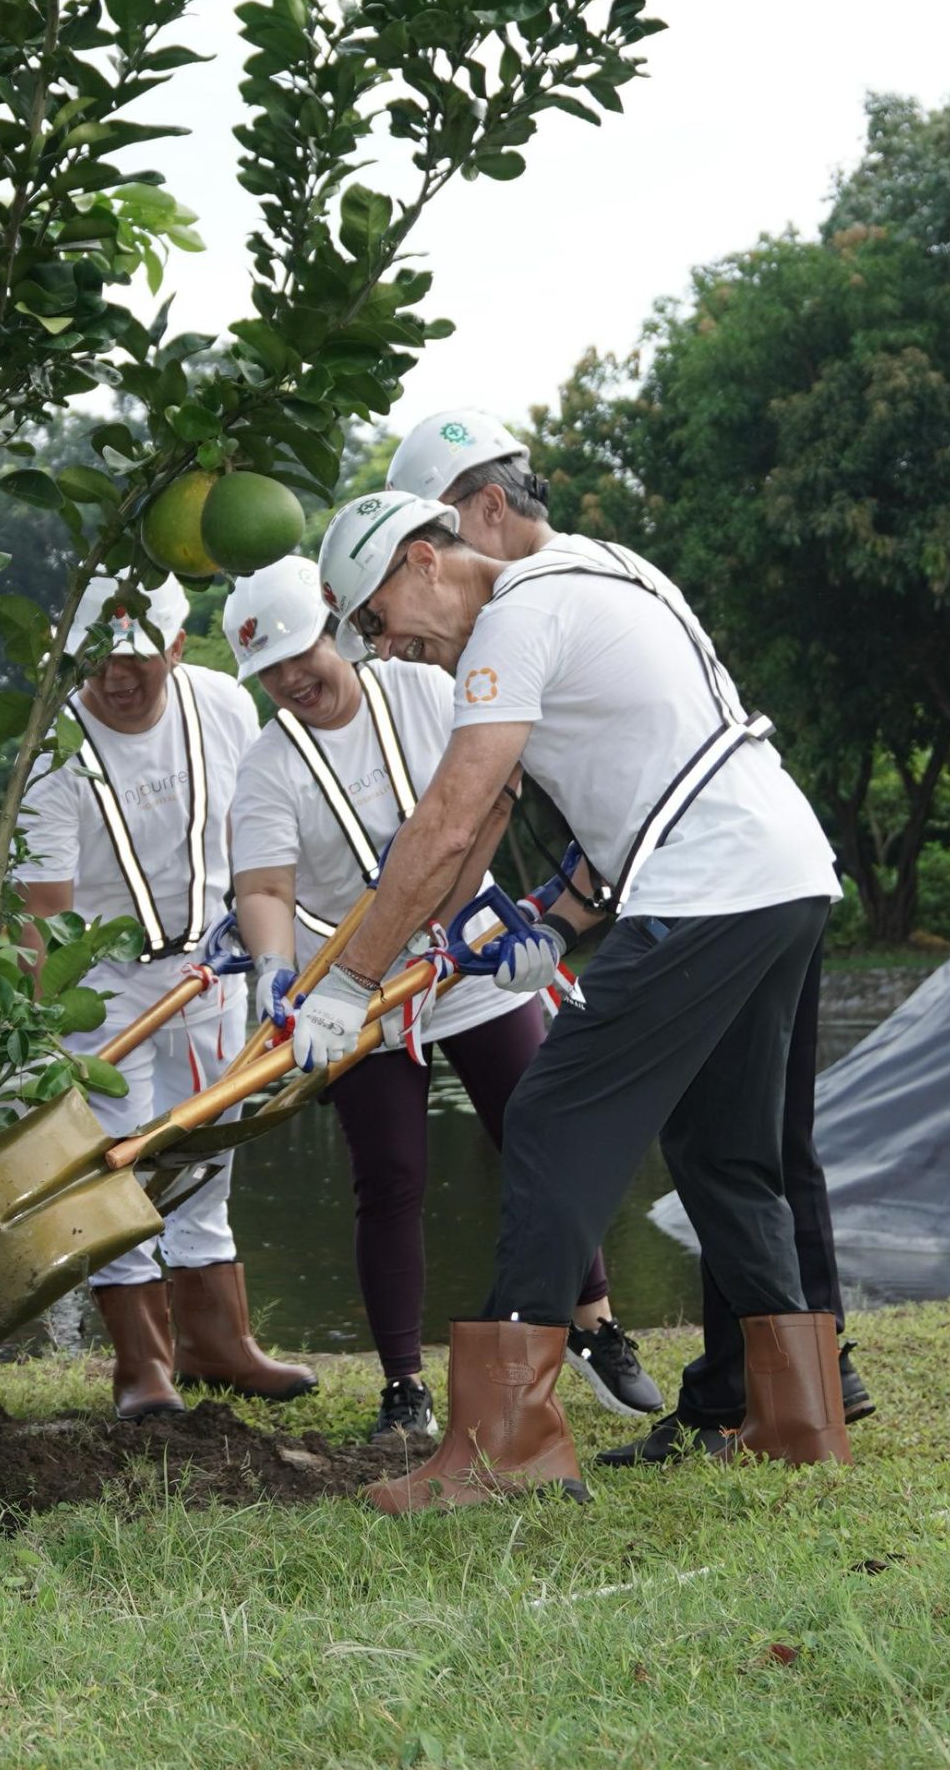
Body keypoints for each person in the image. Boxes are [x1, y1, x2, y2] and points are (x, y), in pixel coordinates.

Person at [316, 485, 850, 1511]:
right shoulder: (602, 569)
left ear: (423, 558)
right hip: (785, 868)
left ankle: (502, 1445)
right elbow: (603, 781)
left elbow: (448, 813)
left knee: (552, 1118)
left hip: (710, 888)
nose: (383, 650)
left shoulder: (513, 620)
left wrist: (348, 983)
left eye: (375, 621)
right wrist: (554, 925)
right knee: (725, 1152)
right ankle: (797, 1422)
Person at [221, 553, 661, 1450]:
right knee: (390, 1180)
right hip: (358, 988)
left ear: (335, 630)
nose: (293, 679)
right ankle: (403, 1387)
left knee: (546, 1131)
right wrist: (274, 971)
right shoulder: (269, 764)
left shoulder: (419, 689)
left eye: (302, 651)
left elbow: (495, 794)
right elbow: (264, 886)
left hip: (476, 960)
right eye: (270, 670)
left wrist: (526, 921)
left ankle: (594, 1322)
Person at [16, 573, 312, 1420]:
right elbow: (43, 915)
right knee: (115, 1160)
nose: (115, 677)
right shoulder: (52, 752)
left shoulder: (223, 704)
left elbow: (253, 830)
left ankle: (219, 1343)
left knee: (212, 1144)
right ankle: (142, 1366)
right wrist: (48, 1036)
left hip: (209, 961)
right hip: (96, 979)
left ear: (177, 649)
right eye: (97, 660)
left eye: (137, 659)